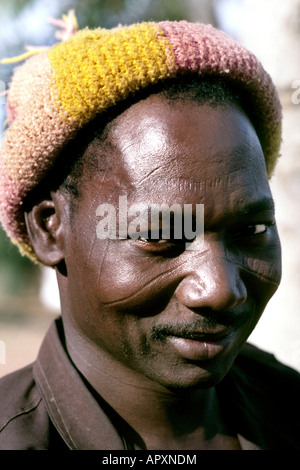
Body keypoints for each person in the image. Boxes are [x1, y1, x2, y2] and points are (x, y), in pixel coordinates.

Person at [0, 16, 299, 451]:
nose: (218, 290)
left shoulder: (285, 403)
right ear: (50, 230)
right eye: (162, 235)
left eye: (251, 230)